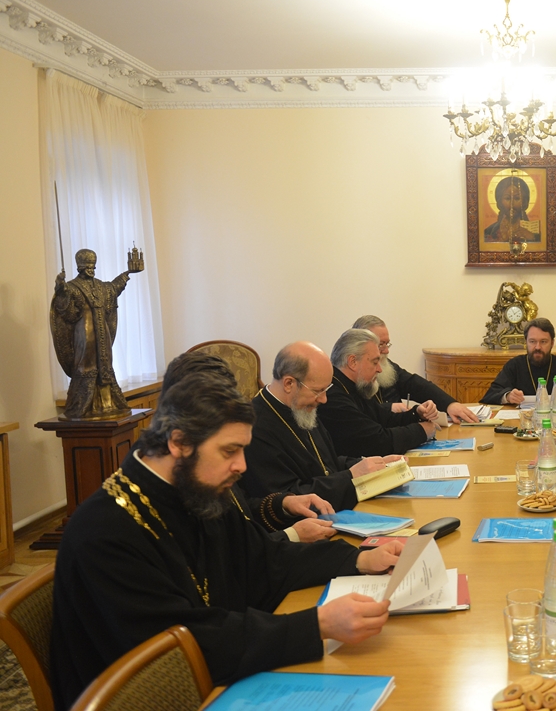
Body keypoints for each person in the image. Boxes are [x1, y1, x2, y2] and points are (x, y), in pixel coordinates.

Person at [50, 372, 404, 709]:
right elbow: (177, 647)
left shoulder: (195, 489)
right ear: (179, 442)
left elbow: (264, 559)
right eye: (229, 451)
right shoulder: (104, 531)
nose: (241, 466)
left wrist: (359, 558)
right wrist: (316, 625)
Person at [151, 351, 337, 543]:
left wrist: (284, 504)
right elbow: (228, 552)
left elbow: (240, 513)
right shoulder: (165, 493)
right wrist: (292, 536)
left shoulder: (197, 455)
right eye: (228, 451)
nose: (241, 466)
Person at [241, 341, 399, 511]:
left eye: (326, 389)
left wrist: (369, 465)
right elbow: (291, 498)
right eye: (318, 391)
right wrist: (351, 476)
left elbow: (326, 464)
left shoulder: (301, 408)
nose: (324, 399)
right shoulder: (255, 428)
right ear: (289, 384)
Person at [49, 248, 143, 419]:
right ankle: (83, 405)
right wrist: (60, 288)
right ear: (80, 267)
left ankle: (108, 403)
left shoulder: (100, 286)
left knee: (105, 363)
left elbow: (113, 288)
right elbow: (65, 309)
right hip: (84, 334)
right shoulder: (72, 287)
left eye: (93, 267)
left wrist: (127, 273)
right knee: (86, 364)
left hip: (102, 333)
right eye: (88, 267)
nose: (91, 270)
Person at [320, 328, 439, 457]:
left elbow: (384, 418)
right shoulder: (333, 398)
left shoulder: (356, 386)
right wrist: (422, 431)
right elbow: (376, 442)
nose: (379, 369)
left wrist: (417, 413)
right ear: (353, 362)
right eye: (375, 362)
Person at [352, 315, 479, 423]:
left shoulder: (387, 366)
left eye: (387, 344)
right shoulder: (351, 377)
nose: (386, 351)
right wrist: (389, 408)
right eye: (381, 345)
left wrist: (450, 405)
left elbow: (416, 385)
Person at [480, 318, 556, 405]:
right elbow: (492, 393)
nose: (538, 347)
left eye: (543, 342)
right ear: (526, 342)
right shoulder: (514, 365)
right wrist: (508, 396)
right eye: (532, 341)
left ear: (552, 343)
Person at [483, 175, 539, 243]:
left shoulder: (535, 232)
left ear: (525, 203)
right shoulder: (489, 232)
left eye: (517, 198)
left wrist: (533, 237)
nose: (512, 204)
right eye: (507, 198)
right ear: (500, 203)